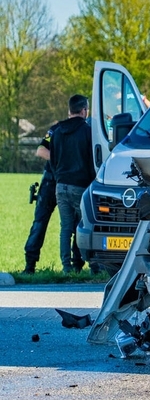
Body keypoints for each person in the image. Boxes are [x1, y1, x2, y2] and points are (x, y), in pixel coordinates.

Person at [22, 122, 84, 273]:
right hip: (52, 180)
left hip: (67, 180)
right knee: (40, 222)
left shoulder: (82, 129)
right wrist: (60, 159)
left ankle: (76, 265)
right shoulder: (56, 130)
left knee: (75, 224)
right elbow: (41, 150)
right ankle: (30, 264)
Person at [50, 95, 96, 274]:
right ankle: (93, 266)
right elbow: (92, 160)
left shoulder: (57, 131)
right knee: (85, 226)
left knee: (66, 228)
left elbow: (52, 161)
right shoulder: (87, 131)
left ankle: (66, 268)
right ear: (84, 110)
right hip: (81, 186)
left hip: (61, 186)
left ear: (70, 110)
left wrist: (59, 178)